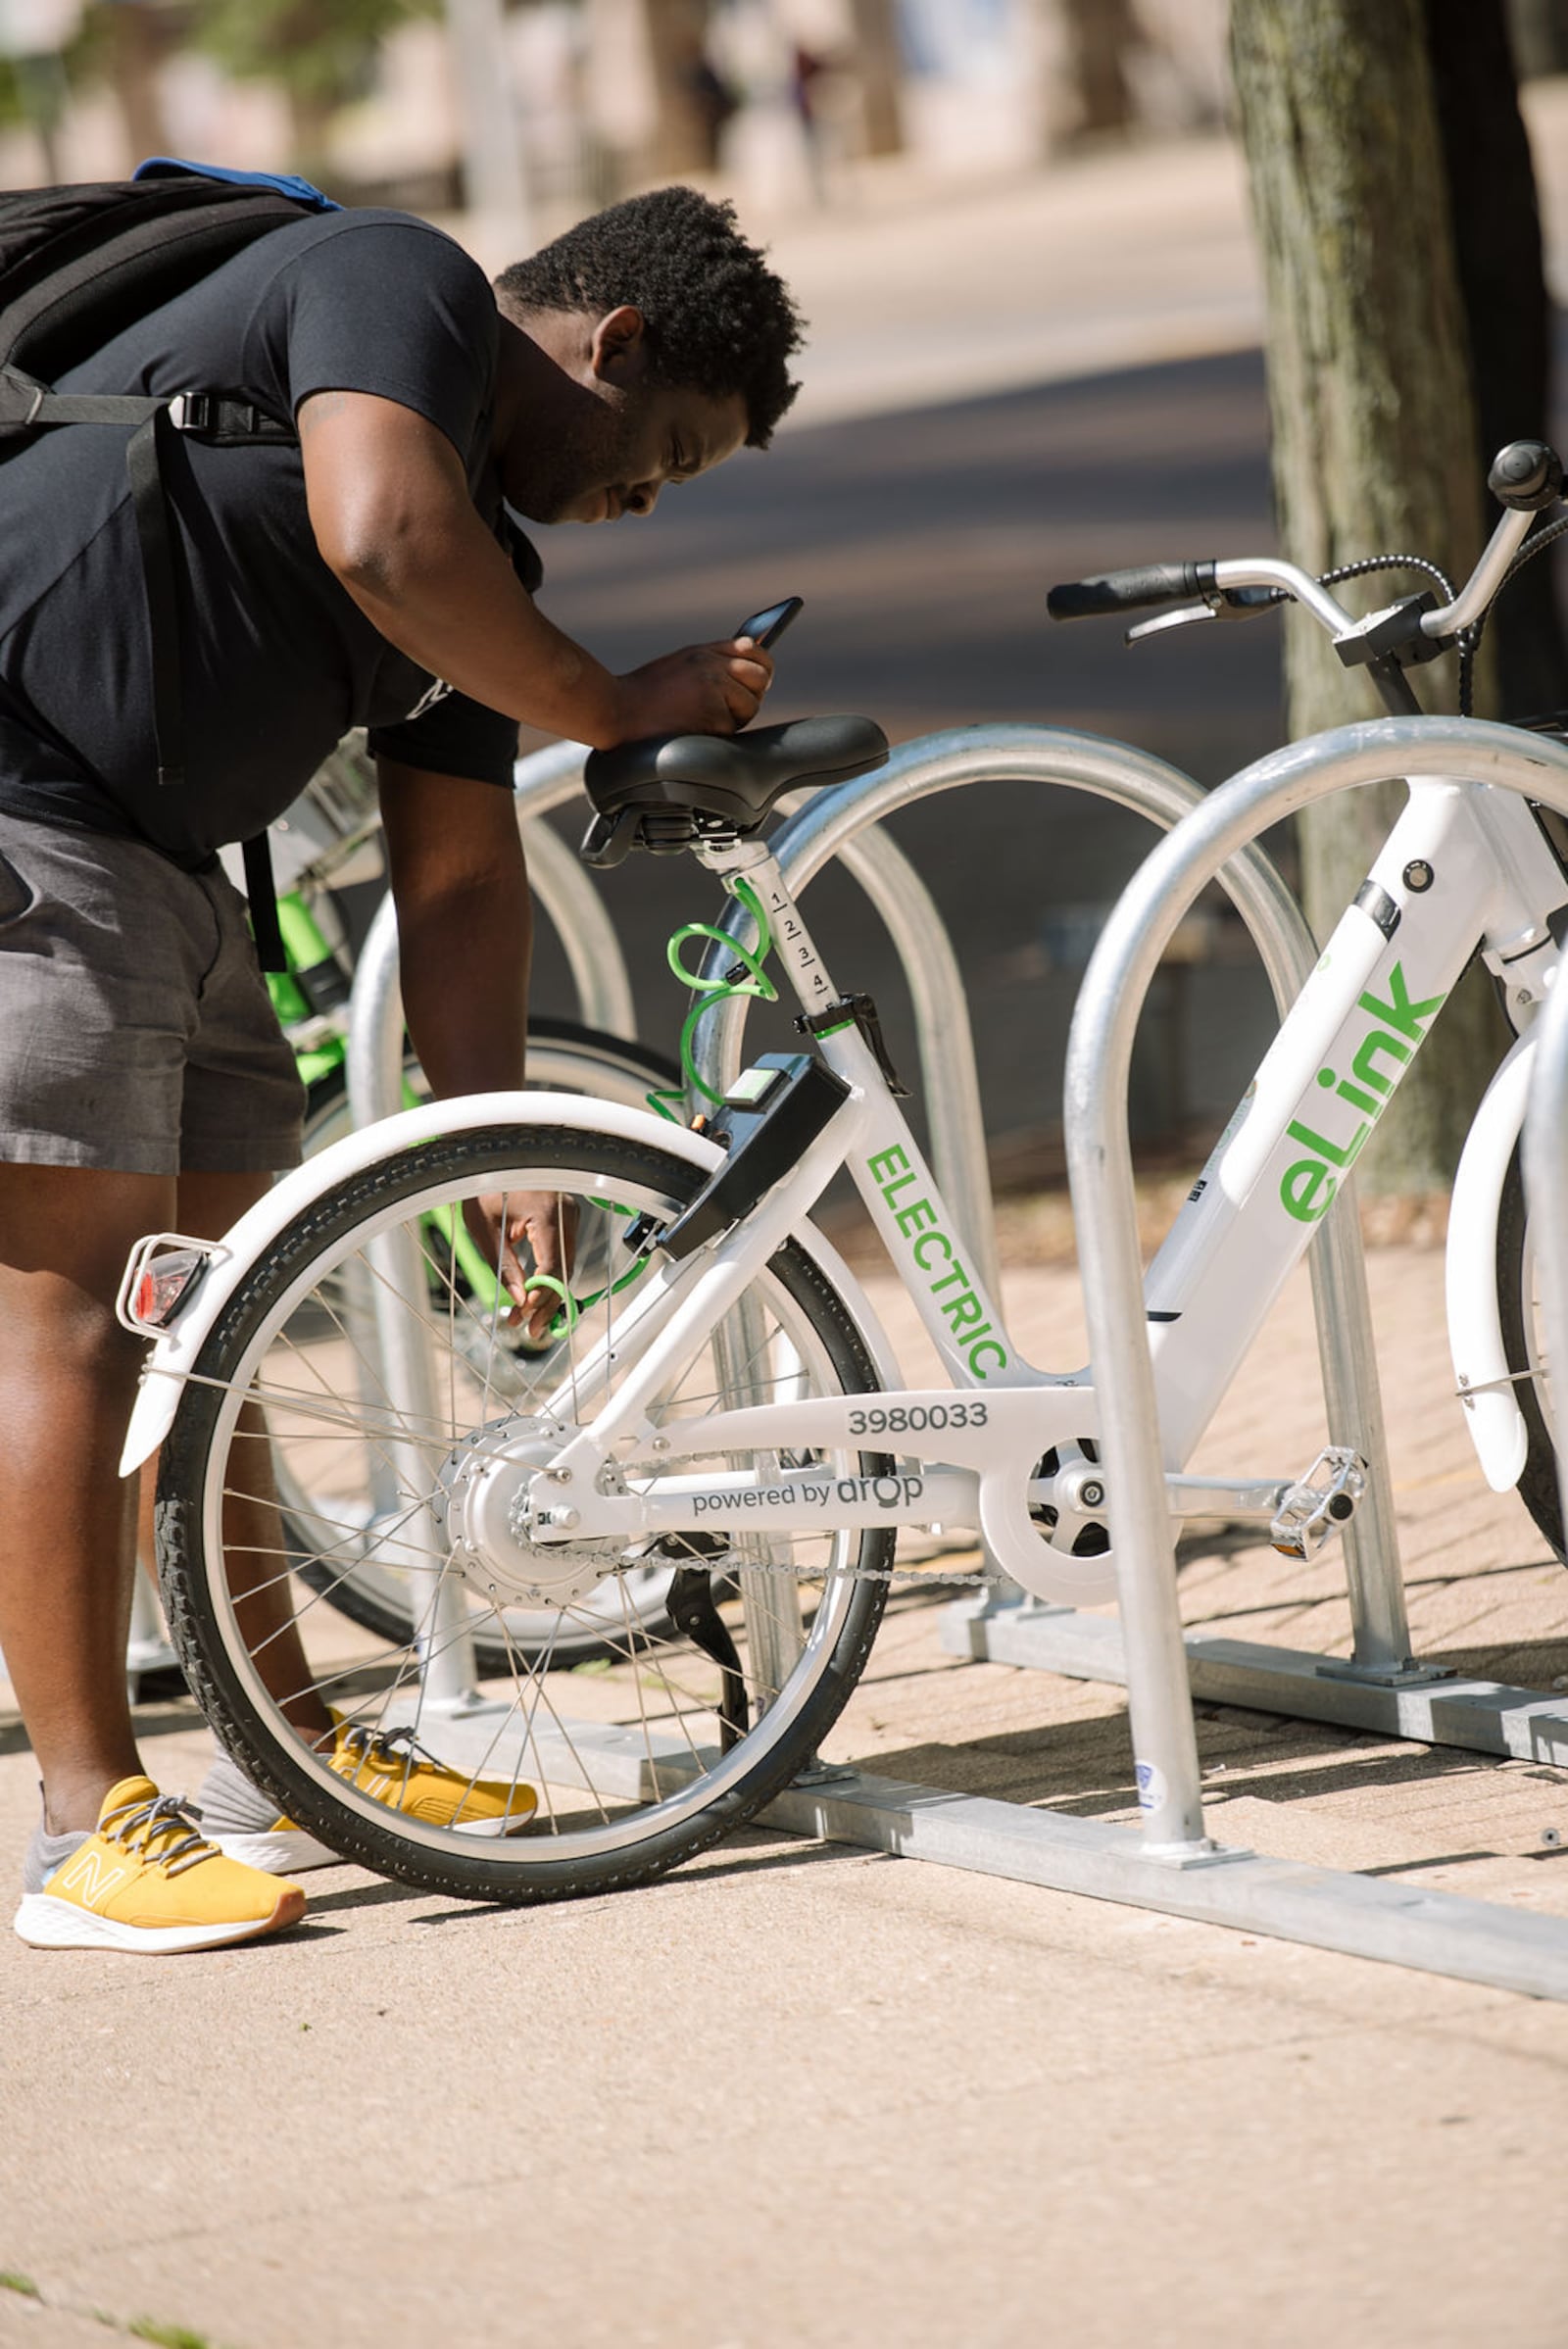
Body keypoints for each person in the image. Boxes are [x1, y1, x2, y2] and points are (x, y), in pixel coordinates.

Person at [0, 180, 804, 1953]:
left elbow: (458, 881)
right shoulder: (398, 281)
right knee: (71, 1318)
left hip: (172, 874)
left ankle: (283, 1748)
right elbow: (376, 532)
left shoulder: (487, 578)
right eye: (661, 451)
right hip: (29, 829)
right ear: (613, 342)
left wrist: (487, 1139)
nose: (642, 497)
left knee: (200, 1331)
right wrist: (619, 700)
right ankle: (83, 1821)